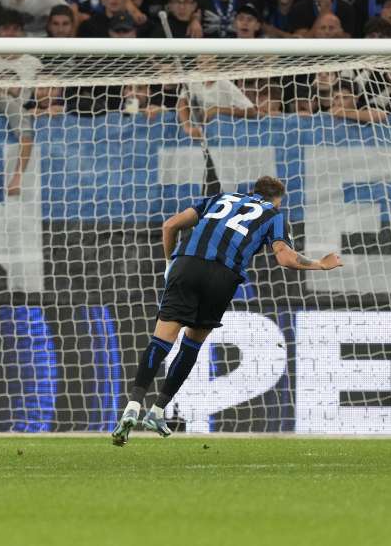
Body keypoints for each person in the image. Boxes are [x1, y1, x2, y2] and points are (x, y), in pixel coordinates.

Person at [112, 176, 343, 445]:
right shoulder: (273, 214)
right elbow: (284, 257)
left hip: (186, 264)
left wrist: (168, 263)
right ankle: (158, 409)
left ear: (252, 191)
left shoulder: (220, 199)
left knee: (162, 339)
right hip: (222, 276)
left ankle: (133, 404)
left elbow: (170, 225)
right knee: (192, 343)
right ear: (278, 199)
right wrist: (319, 264)